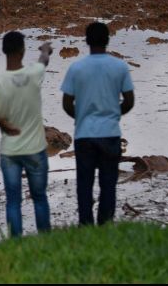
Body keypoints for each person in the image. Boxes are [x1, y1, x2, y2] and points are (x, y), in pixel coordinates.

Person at [0, 31, 53, 236]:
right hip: (35, 149)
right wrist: (45, 48)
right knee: (40, 198)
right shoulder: (34, 73)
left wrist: (0, 120)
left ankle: (15, 244)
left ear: (3, 51)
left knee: (13, 201)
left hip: (10, 151)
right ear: (23, 50)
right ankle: (46, 241)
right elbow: (44, 60)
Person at [61, 22, 134, 226]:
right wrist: (113, 115)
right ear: (108, 40)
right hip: (110, 133)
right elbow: (129, 101)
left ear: (86, 41)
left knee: (84, 184)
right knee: (108, 183)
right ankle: (106, 224)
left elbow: (67, 103)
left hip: (84, 135)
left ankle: (85, 225)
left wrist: (81, 117)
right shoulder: (119, 67)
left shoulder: (76, 68)